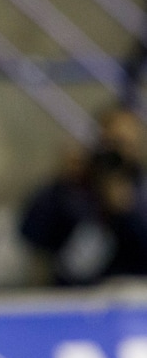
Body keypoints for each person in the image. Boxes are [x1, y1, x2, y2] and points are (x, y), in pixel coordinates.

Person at [20, 106, 147, 286]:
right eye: (112, 143)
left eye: (126, 143)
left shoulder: (140, 191)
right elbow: (31, 234)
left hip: (134, 297)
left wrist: (127, 213)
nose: (117, 153)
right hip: (75, 295)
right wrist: (60, 183)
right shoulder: (74, 187)